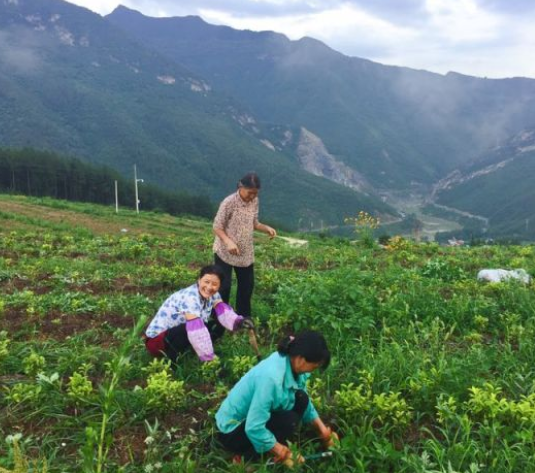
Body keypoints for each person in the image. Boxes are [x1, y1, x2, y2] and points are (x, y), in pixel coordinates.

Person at [216, 330, 338, 466]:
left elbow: (304, 400)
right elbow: (253, 427)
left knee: (301, 399)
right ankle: (246, 458)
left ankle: (269, 444)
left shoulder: (292, 364)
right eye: (314, 366)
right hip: (232, 431)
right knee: (289, 421)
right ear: (301, 359)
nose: (313, 370)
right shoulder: (271, 379)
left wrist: (324, 431)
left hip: (251, 419)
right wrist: (282, 452)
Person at [144, 265, 253, 363]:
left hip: (171, 334)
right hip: (156, 342)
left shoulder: (213, 295)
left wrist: (240, 322)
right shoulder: (191, 297)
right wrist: (210, 359)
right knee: (193, 328)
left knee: (215, 323)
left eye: (214, 284)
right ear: (199, 280)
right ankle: (173, 360)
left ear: (219, 286)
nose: (209, 287)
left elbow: (223, 312)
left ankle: (193, 350)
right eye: (206, 282)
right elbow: (196, 330)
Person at [213, 172, 276, 323]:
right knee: (224, 286)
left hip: (245, 253)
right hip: (225, 252)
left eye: (255, 194)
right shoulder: (229, 202)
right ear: (241, 187)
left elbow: (254, 223)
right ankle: (219, 320)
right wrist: (228, 242)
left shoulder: (255, 201)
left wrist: (266, 228)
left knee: (246, 287)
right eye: (250, 193)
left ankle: (243, 319)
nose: (252, 197)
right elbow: (217, 227)